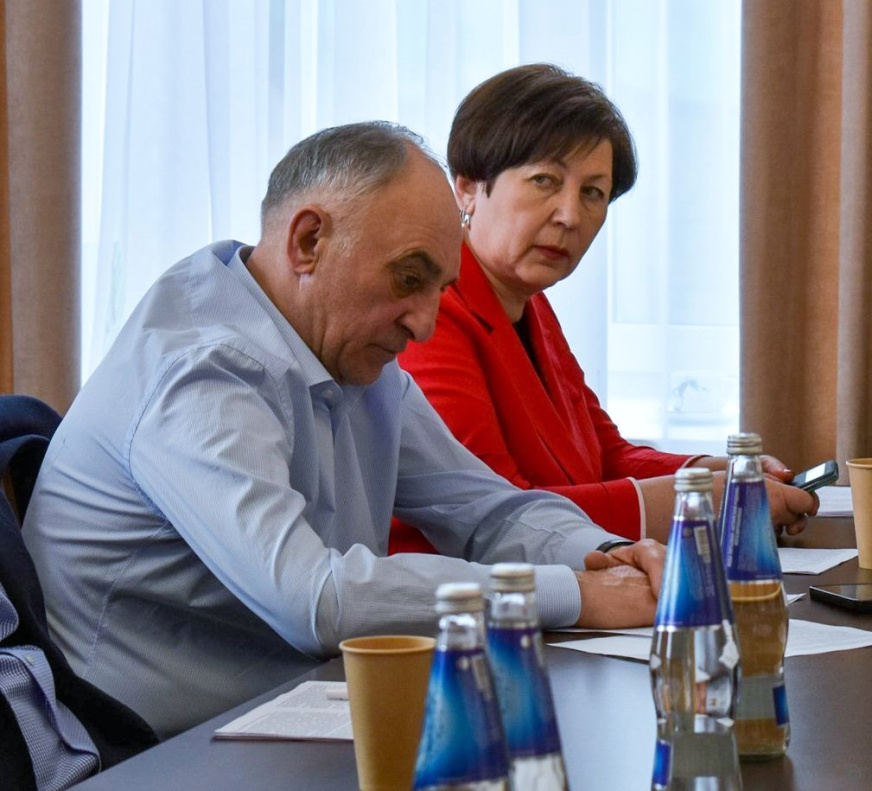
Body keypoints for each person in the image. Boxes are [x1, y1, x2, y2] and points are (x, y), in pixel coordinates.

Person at [23, 121, 664, 739]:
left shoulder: (347, 351)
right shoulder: (201, 371)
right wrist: (574, 594)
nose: (425, 325)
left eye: (440, 290)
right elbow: (316, 601)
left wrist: (606, 556)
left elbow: (486, 511)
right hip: (148, 752)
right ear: (308, 242)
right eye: (409, 279)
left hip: (286, 715)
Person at [392, 64, 817, 553]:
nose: (570, 215)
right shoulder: (433, 314)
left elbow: (607, 455)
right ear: (468, 187)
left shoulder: (532, 306)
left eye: (592, 193)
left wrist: (720, 473)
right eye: (545, 181)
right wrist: (702, 500)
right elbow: (500, 511)